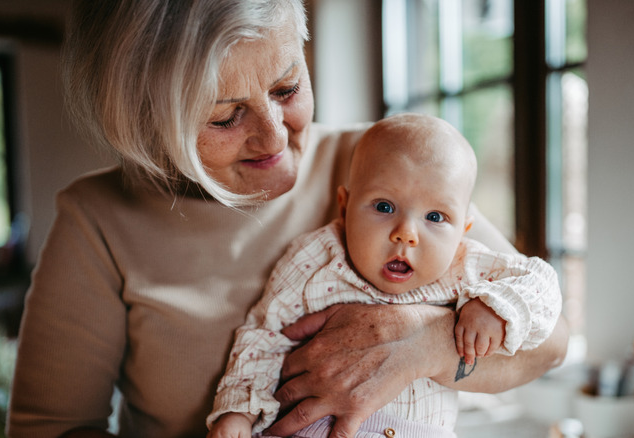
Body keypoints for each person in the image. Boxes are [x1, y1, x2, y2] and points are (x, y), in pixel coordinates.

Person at [6, 1, 569, 437]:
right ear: (150, 123)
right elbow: (47, 428)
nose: (275, 137)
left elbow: (550, 340)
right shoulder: (97, 220)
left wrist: (425, 345)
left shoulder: (386, 169)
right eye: (226, 117)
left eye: (287, 88)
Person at [206, 114, 562, 438]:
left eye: (435, 217)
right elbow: (263, 336)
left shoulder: (465, 264)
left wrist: (496, 306)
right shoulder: (315, 257)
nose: (406, 234)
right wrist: (238, 411)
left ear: (463, 230)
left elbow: (540, 281)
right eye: (384, 207)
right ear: (345, 207)